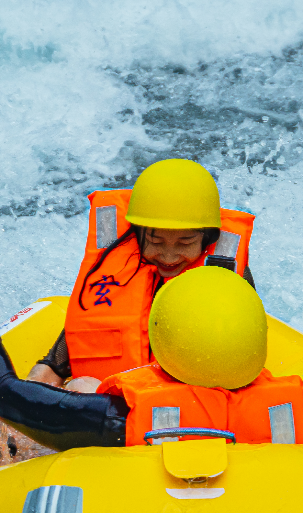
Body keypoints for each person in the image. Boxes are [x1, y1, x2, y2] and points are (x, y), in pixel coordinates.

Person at [0, 224, 303, 450]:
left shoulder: (121, 416)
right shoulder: (294, 403)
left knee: (82, 385)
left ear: (161, 343)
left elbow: (5, 394)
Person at [27, 159, 257, 393]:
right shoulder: (117, 268)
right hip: (117, 403)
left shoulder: (229, 278)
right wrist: (42, 376)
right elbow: (67, 351)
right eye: (155, 241)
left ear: (208, 238)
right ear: (136, 235)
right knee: (79, 386)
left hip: (189, 403)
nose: (168, 256)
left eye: (185, 242)